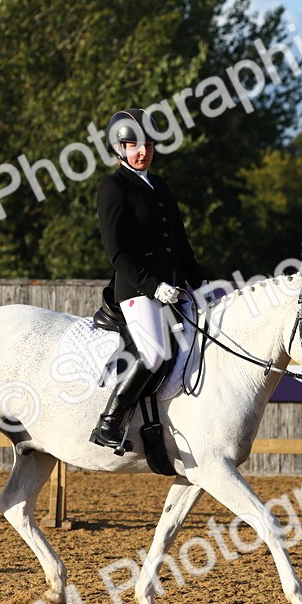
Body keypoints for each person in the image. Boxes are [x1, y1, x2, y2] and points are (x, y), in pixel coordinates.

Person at [89, 108, 208, 449]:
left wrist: (202, 285)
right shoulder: (113, 188)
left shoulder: (160, 186)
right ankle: (109, 421)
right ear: (119, 149)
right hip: (136, 290)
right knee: (154, 353)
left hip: (173, 287)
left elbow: (180, 244)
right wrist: (154, 287)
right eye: (134, 146)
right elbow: (117, 253)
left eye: (149, 145)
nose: (143, 152)